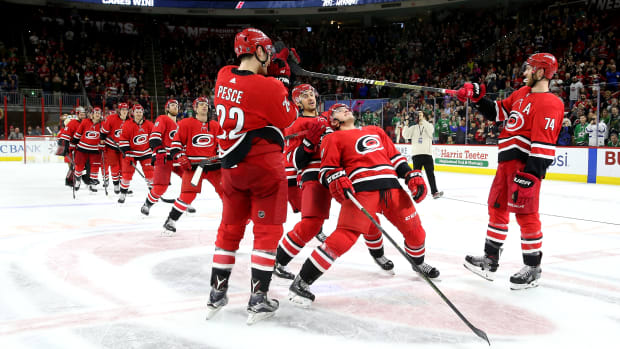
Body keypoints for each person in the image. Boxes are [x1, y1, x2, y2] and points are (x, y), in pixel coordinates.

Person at [288, 103, 440, 307]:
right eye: (339, 110)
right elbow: (326, 170)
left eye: (346, 108)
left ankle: (418, 264)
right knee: (343, 239)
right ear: (334, 121)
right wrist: (335, 178)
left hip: (393, 189)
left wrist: (410, 174)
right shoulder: (332, 138)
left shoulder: (375, 131)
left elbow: (395, 158)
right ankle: (302, 282)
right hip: (362, 192)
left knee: (417, 233)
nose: (345, 110)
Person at [205, 28, 298, 325]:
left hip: (232, 169)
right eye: (266, 51)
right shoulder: (268, 87)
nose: (269, 56)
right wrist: (283, 80)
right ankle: (258, 297)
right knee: (267, 231)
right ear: (258, 51)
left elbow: (248, 88)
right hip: (264, 169)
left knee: (229, 228)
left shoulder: (222, 75)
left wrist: (275, 78)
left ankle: (216, 293)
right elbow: (289, 118)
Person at [456, 53, 565, 290]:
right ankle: (490, 260)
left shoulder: (551, 103)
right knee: (497, 207)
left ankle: (533, 268)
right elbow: (497, 113)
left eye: (529, 69)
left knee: (526, 215)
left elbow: (543, 144)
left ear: (540, 72)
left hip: (524, 167)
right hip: (504, 164)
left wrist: (531, 176)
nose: (524, 73)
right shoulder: (520, 94)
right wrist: (476, 98)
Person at [273, 92, 395, 281]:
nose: (311, 97)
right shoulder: (294, 125)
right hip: (314, 174)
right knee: (311, 224)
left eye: (312, 94)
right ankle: (278, 262)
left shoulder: (329, 117)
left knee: (366, 216)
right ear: (297, 102)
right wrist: (308, 142)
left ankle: (378, 255)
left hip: (340, 173)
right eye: (304, 96)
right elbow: (294, 161)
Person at [161, 97, 223, 233]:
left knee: (228, 192)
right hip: (195, 168)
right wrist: (180, 156)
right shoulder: (185, 124)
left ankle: (238, 218)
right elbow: (175, 145)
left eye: (206, 104)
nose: (204, 107)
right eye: (200, 104)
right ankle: (171, 221)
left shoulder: (215, 125)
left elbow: (221, 145)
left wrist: (223, 155)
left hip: (214, 166)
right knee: (187, 195)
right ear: (195, 108)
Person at [141, 99, 195, 216]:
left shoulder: (181, 124)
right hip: (164, 156)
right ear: (167, 108)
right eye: (172, 105)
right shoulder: (162, 119)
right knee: (160, 187)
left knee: (190, 179)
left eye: (176, 105)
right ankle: (148, 204)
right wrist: (158, 149)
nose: (175, 107)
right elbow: (154, 137)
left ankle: (184, 202)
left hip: (177, 157)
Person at [118, 104, 154, 203]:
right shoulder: (127, 124)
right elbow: (123, 139)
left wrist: (154, 149)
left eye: (140, 112)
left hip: (146, 152)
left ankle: (153, 193)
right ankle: (123, 193)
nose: (138, 114)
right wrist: (127, 153)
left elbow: (154, 137)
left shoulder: (149, 124)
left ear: (143, 113)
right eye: (136, 112)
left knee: (150, 173)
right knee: (126, 174)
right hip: (131, 153)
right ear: (133, 113)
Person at [403, 110, 443, 199]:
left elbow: (430, 132)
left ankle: (434, 192)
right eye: (418, 115)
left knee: (430, 175)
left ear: (424, 116)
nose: (419, 116)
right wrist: (406, 124)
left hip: (427, 154)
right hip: (416, 155)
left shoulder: (429, 126)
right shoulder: (413, 128)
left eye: (421, 114)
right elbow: (405, 135)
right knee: (416, 176)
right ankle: (416, 192)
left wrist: (423, 120)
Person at [71, 107, 104, 192]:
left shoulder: (102, 124)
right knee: (79, 166)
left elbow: (105, 136)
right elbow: (78, 133)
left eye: (99, 113)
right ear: (92, 114)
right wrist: (73, 143)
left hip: (95, 149)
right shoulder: (85, 122)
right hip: (83, 148)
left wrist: (103, 144)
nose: (97, 115)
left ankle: (92, 184)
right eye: (96, 113)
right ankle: (78, 180)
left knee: (95, 167)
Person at [101, 102, 129, 194]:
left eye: (126, 110)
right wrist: (102, 140)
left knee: (123, 167)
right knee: (115, 166)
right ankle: (116, 184)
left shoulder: (130, 121)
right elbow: (104, 132)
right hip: (112, 146)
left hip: (123, 148)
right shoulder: (111, 118)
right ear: (119, 111)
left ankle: (122, 185)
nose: (124, 111)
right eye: (123, 110)